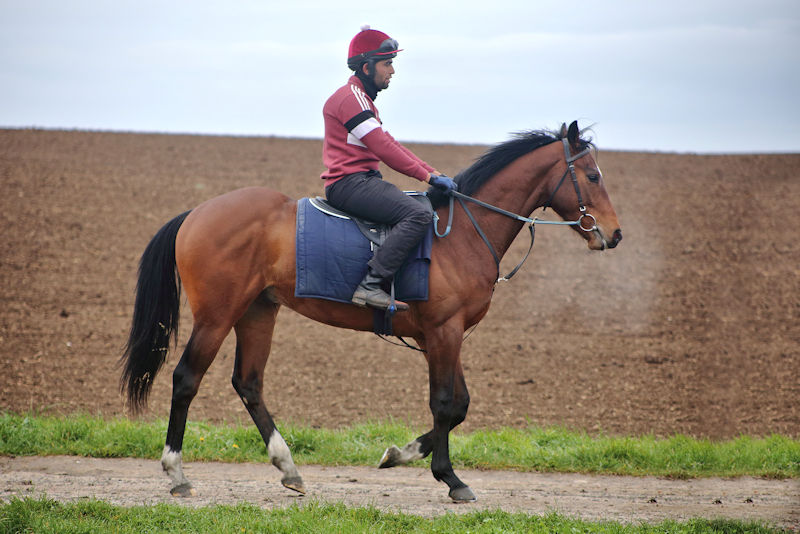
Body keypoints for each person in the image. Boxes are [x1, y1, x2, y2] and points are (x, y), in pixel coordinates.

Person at [321, 26, 457, 312]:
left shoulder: (362, 100)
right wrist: (427, 177)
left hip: (361, 181)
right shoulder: (350, 99)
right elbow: (383, 148)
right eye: (387, 63)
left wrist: (434, 173)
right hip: (350, 184)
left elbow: (390, 142)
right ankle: (371, 285)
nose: (392, 71)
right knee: (418, 214)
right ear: (367, 67)